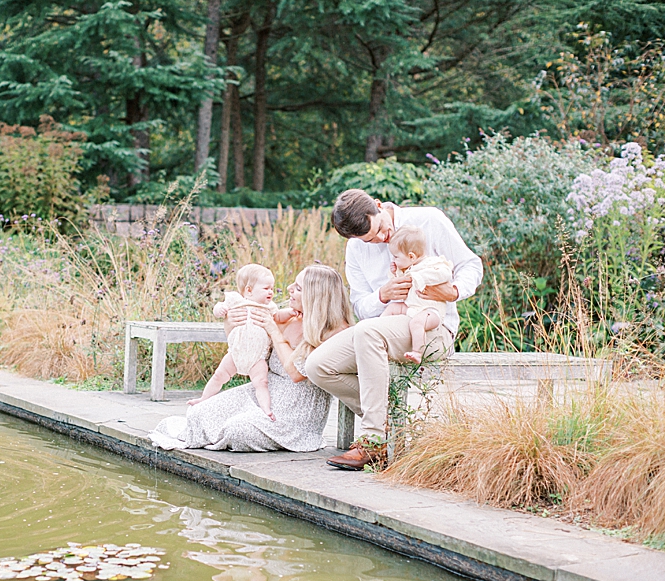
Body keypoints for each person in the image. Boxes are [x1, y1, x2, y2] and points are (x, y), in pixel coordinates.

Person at [305, 189, 483, 470]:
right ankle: (393, 422)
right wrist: (382, 295)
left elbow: (471, 264)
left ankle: (374, 441)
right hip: (383, 325)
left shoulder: (428, 220)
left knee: (369, 332)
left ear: (378, 206)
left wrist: (453, 291)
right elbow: (360, 306)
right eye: (369, 240)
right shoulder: (356, 247)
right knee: (317, 365)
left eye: (379, 230)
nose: (379, 240)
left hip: (430, 327)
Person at [150, 264, 353, 452]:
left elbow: (297, 373)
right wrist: (230, 324)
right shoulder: (291, 317)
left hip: (295, 413)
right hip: (264, 393)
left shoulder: (334, 331)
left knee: (236, 430)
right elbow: (250, 348)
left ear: (315, 296)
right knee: (199, 413)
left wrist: (274, 331)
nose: (290, 288)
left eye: (298, 288)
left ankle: (245, 426)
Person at [189, 263, 297, 421]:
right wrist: (219, 309)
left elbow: (279, 316)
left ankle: (266, 409)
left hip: (257, 357)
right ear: (249, 290)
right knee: (219, 375)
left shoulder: (269, 307)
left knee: (261, 382)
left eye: (272, 288)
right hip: (235, 353)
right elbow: (220, 306)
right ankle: (204, 398)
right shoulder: (235, 300)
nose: (271, 292)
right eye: (266, 288)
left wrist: (290, 312)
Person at [379, 226, 454, 364]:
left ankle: (417, 352)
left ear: (411, 256)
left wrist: (420, 277)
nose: (393, 260)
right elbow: (402, 283)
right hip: (413, 307)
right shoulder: (409, 268)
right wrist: (396, 273)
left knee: (416, 323)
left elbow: (445, 273)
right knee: (393, 307)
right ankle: (378, 328)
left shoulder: (432, 264)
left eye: (396, 257)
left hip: (431, 312)